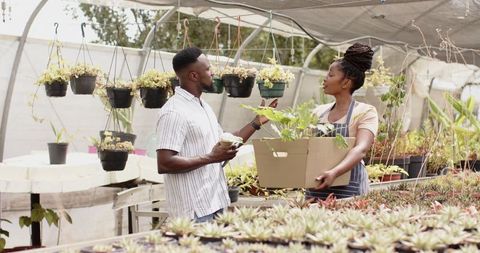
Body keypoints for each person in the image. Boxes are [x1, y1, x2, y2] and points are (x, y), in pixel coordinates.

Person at [155, 47, 277, 222]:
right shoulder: (174, 112)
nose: (212, 72)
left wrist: (255, 123)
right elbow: (165, 163)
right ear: (194, 76)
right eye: (208, 68)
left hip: (215, 203)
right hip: (194, 213)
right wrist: (211, 157)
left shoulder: (202, 107)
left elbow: (227, 142)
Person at [306, 43, 379, 200]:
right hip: (315, 187)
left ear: (346, 82)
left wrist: (335, 172)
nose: (325, 79)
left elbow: (361, 149)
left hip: (350, 191)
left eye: (331, 75)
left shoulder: (365, 112)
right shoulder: (318, 113)